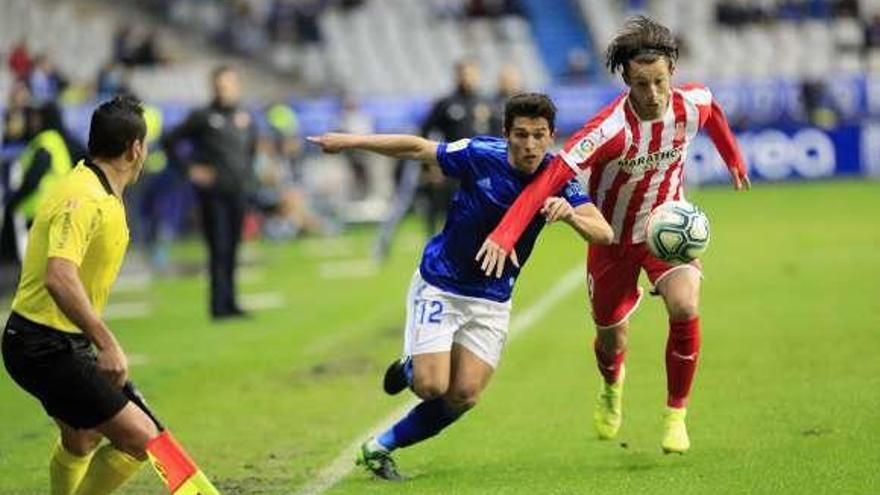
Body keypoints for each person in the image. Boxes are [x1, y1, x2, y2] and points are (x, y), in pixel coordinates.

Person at [476, 16, 751, 454]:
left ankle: (676, 414)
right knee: (612, 337)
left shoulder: (690, 103)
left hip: (667, 232)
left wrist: (733, 157)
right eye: (643, 85)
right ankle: (612, 383)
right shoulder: (607, 130)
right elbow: (549, 179)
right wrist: (507, 231)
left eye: (660, 81)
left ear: (671, 74)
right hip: (611, 241)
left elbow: (714, 111)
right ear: (627, 79)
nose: (654, 94)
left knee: (685, 305)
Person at [309, 93, 613, 480]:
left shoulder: (559, 178)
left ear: (552, 135)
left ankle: (379, 447)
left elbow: (604, 232)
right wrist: (349, 141)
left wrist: (570, 215)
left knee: (465, 394)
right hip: (442, 283)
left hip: (492, 299)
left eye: (539, 135)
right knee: (432, 386)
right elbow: (418, 148)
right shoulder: (478, 153)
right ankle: (411, 366)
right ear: (506, 134)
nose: (530, 145)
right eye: (521, 134)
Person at [1, 96, 160, 494]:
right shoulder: (84, 196)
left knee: (82, 438)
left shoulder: (98, 187)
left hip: (53, 340)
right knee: (142, 439)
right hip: (42, 344)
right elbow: (59, 276)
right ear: (135, 148)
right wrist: (106, 342)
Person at [162, 65, 257, 320]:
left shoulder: (244, 116)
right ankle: (218, 306)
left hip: (238, 191)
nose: (224, 90)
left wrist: (248, 177)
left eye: (229, 85)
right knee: (219, 247)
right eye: (220, 85)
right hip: (213, 194)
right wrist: (190, 170)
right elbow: (169, 140)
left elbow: (251, 149)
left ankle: (231, 302)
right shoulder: (202, 116)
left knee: (234, 247)